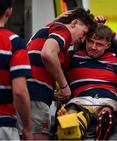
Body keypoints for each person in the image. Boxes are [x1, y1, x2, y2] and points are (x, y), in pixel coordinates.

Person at [17, 8, 96, 140]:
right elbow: (48, 54)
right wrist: (65, 87)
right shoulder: (64, 31)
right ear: (74, 23)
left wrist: (52, 93)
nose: (82, 40)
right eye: (83, 33)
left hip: (26, 92)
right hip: (35, 95)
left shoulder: (47, 29)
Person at [55, 24, 117, 140]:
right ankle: (75, 128)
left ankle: (101, 128)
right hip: (79, 100)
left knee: (107, 112)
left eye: (99, 44)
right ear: (85, 40)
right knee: (70, 116)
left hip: (107, 100)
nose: (93, 47)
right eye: (90, 41)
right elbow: (52, 59)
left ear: (108, 45)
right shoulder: (72, 56)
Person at [0, 0, 33, 140]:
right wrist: (27, 128)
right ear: (9, 11)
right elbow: (20, 92)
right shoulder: (14, 42)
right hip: (3, 125)